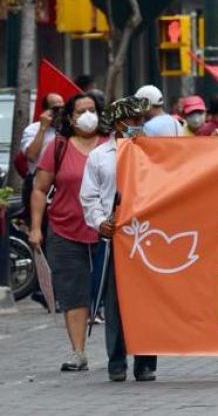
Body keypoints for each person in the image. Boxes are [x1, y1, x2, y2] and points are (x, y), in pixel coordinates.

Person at [78, 96, 158, 382]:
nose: (140, 126)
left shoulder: (156, 151)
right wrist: (100, 223)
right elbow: (89, 196)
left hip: (148, 236)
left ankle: (147, 361)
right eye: (135, 121)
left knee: (149, 300)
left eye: (142, 120)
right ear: (119, 123)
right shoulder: (100, 157)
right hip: (116, 238)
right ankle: (116, 359)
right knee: (115, 302)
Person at [27, 92, 108, 372]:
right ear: (70, 118)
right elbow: (39, 189)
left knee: (115, 292)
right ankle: (78, 352)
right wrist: (36, 228)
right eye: (81, 111)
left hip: (108, 232)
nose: (88, 116)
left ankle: (119, 353)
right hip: (65, 231)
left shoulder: (114, 145)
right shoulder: (57, 147)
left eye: (92, 110)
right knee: (74, 294)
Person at [21, 93, 64, 173]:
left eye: (63, 108)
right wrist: (42, 128)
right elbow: (31, 156)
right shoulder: (32, 129)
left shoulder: (67, 128)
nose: (60, 111)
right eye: (56, 109)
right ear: (45, 111)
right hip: (38, 178)